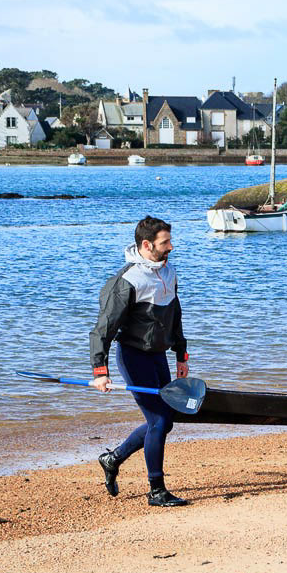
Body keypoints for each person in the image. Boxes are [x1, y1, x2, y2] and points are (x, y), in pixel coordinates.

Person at [89, 216, 192, 506]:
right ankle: (156, 491)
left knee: (166, 420)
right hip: (134, 357)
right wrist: (100, 371)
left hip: (158, 355)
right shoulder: (127, 281)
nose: (171, 247)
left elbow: (175, 315)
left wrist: (181, 355)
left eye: (169, 241)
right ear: (147, 245)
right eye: (165, 243)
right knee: (158, 420)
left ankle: (114, 458)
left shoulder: (168, 272)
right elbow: (102, 330)